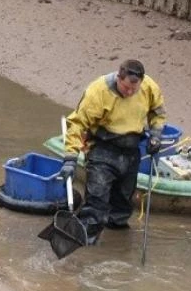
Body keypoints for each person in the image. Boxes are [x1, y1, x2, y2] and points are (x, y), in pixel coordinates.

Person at [58, 59, 166, 244]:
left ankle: (116, 240)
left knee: (123, 202)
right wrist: (70, 158)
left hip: (132, 149)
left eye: (134, 89)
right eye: (125, 88)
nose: (130, 92)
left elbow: (157, 113)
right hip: (103, 148)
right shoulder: (98, 91)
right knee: (97, 201)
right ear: (118, 78)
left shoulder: (149, 87)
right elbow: (76, 125)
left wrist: (155, 135)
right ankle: (85, 241)